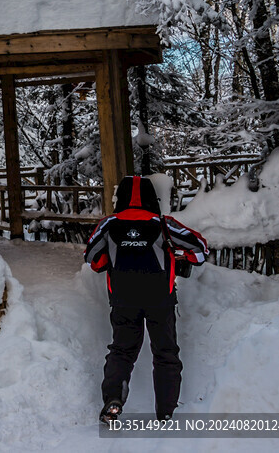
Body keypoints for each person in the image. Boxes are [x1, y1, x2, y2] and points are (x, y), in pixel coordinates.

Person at [84, 175, 208, 424]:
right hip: (160, 300)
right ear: (153, 198)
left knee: (122, 351)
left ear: (121, 198)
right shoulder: (164, 224)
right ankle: (166, 412)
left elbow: (92, 258)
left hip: (122, 300)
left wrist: (113, 258)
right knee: (165, 353)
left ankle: (113, 400)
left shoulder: (108, 224)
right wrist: (183, 257)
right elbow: (200, 249)